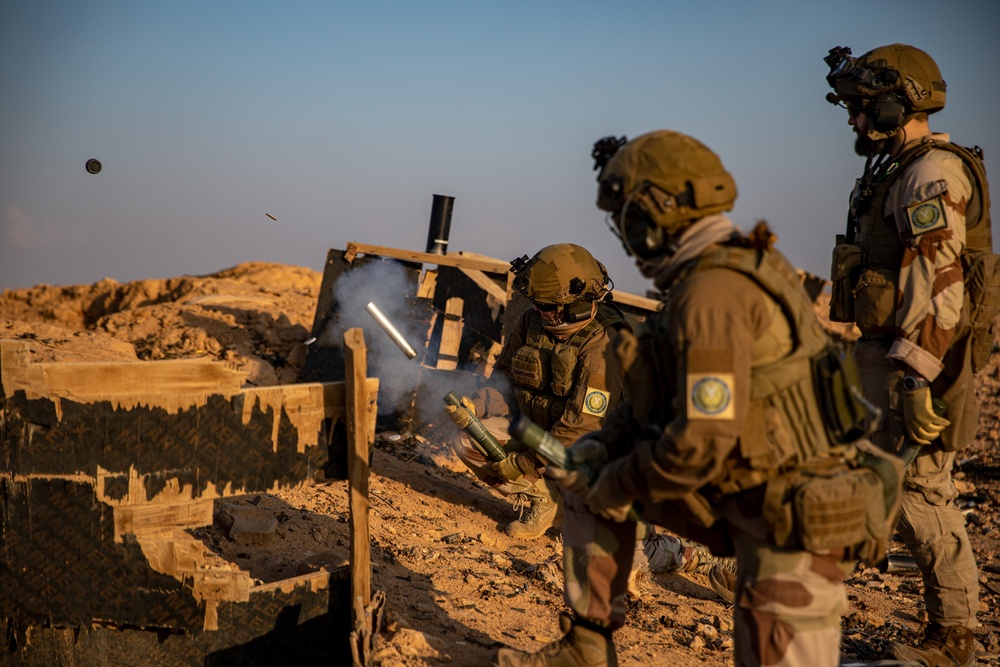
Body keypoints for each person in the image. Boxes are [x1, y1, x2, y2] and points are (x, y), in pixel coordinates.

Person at [496, 130, 901, 667]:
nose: (621, 233)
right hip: (749, 476)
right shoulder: (721, 269)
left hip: (792, 515)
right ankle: (586, 649)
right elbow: (662, 405)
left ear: (655, 212)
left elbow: (700, 442)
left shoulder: (713, 293)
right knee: (589, 480)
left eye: (624, 215)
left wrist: (618, 474)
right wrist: (603, 452)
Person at [824, 43, 987, 666]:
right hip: (887, 354)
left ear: (898, 103)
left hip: (912, 360)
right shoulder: (897, 168)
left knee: (921, 495)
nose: (854, 121)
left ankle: (953, 639)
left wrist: (918, 377)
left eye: (863, 108)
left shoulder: (929, 174)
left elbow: (938, 281)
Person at [445, 244, 731, 580]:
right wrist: (475, 405)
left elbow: (578, 428)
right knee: (469, 438)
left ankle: (699, 558)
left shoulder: (605, 344)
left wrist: (522, 465)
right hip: (544, 442)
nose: (539, 311)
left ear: (575, 305)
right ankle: (546, 503)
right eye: (536, 304)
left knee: (622, 557)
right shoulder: (531, 322)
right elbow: (505, 384)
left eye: (548, 307)